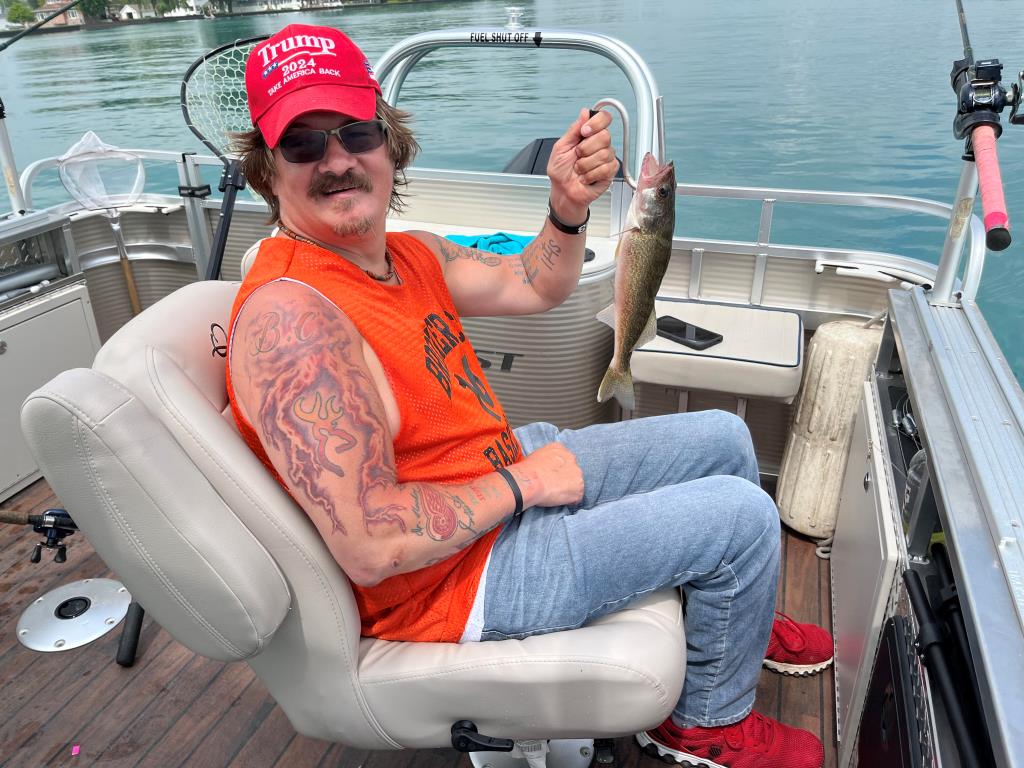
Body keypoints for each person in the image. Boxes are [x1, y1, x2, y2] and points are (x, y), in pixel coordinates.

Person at [226, 23, 833, 768]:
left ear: (389, 141)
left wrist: (567, 205)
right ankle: (703, 727)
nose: (338, 161)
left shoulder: (408, 256)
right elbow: (373, 542)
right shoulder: (294, 319)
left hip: (499, 476)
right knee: (741, 516)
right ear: (266, 170)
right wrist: (524, 483)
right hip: (458, 580)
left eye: (355, 131)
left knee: (724, 439)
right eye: (303, 144)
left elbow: (536, 283)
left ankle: (736, 613)